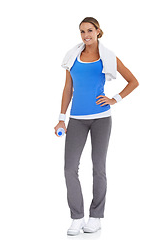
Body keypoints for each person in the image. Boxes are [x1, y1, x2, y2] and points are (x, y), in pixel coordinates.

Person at [54, 17, 139, 236]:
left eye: (90, 30)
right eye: (82, 31)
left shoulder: (108, 57)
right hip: (77, 120)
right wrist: (62, 118)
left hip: (101, 118)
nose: (86, 35)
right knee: (69, 168)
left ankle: (95, 217)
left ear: (98, 31)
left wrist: (115, 99)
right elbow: (67, 89)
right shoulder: (73, 57)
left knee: (98, 168)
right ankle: (77, 217)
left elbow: (133, 81)